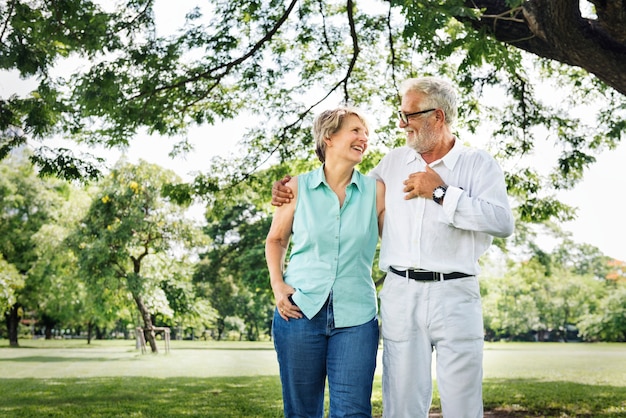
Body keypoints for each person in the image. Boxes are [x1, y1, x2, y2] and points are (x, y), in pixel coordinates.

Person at [271, 77, 515, 418]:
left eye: (409, 115)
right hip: (400, 293)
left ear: (438, 117)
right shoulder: (395, 161)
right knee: (401, 404)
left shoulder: (477, 164)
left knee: (462, 401)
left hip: (455, 293)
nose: (401, 123)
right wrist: (290, 191)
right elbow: (343, 189)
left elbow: (502, 222)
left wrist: (441, 192)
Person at [265, 106, 386, 418]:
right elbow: (276, 240)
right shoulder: (296, 188)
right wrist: (278, 287)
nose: (364, 138)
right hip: (299, 311)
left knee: (353, 413)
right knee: (302, 412)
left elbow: (398, 244)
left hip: (357, 317)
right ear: (328, 138)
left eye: (366, 133)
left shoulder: (377, 192)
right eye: (355, 131)